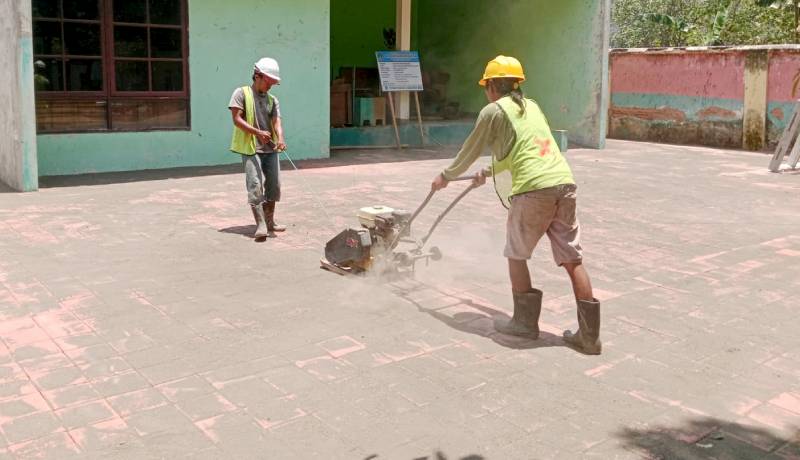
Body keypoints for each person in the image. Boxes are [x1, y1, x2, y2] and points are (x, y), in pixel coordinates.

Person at [430, 55, 601, 354]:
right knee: (573, 260)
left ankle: (524, 324)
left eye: (487, 87)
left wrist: (445, 176)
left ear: (493, 86)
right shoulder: (531, 106)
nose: (487, 92)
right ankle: (590, 338)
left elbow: (469, 150)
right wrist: (488, 171)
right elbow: (527, 150)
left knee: (516, 254)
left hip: (533, 191)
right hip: (564, 183)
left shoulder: (492, 111)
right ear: (517, 84)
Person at [228, 57, 287, 239]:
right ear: (257, 76)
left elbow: (277, 122)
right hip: (251, 148)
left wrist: (280, 138)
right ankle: (260, 224)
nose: (270, 86)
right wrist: (257, 132)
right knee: (255, 185)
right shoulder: (241, 93)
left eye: (272, 84)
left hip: (270, 149)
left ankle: (270, 221)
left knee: (274, 186)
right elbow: (237, 119)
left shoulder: (272, 99)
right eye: (268, 82)